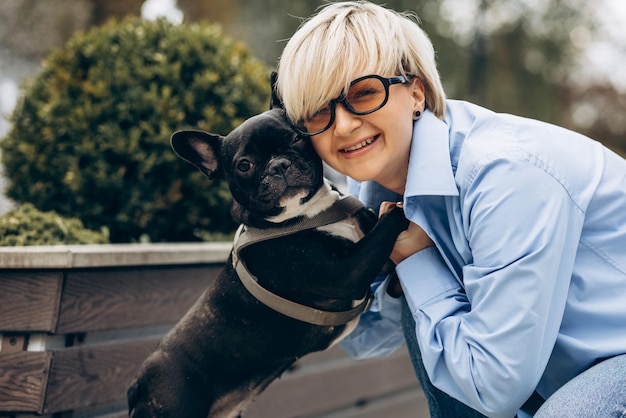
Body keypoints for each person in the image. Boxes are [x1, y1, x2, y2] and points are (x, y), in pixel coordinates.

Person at [274, 2, 626, 417]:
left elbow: (495, 389)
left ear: (416, 93)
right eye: (319, 110)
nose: (344, 125)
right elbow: (370, 339)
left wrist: (418, 262)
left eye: (364, 93)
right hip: (543, 375)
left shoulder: (505, 174)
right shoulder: (373, 188)